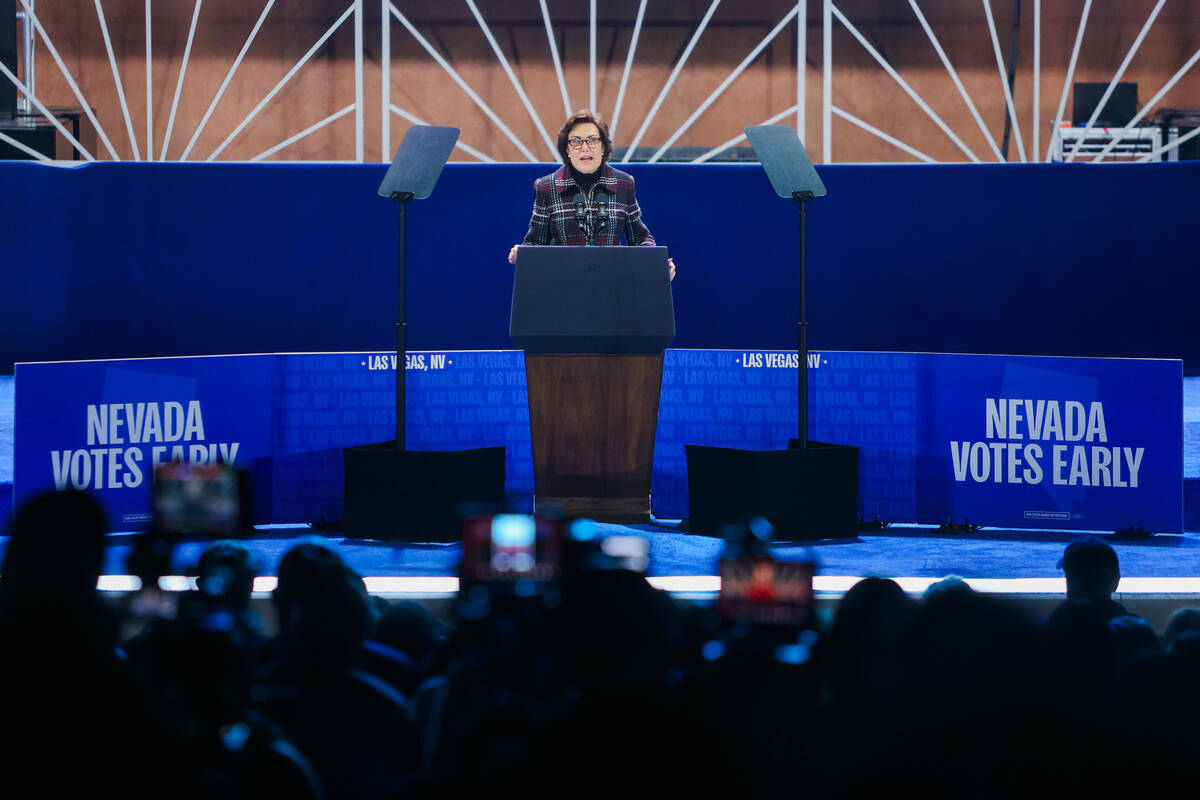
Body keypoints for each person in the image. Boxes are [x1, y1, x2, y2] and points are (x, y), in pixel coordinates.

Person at [508, 109, 676, 280]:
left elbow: (640, 237)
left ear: (603, 147)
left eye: (592, 140)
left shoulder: (623, 184)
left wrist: (655, 263)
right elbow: (536, 242)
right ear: (567, 149)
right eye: (576, 141)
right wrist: (522, 254)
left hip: (612, 286)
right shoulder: (546, 187)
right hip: (562, 287)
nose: (585, 147)